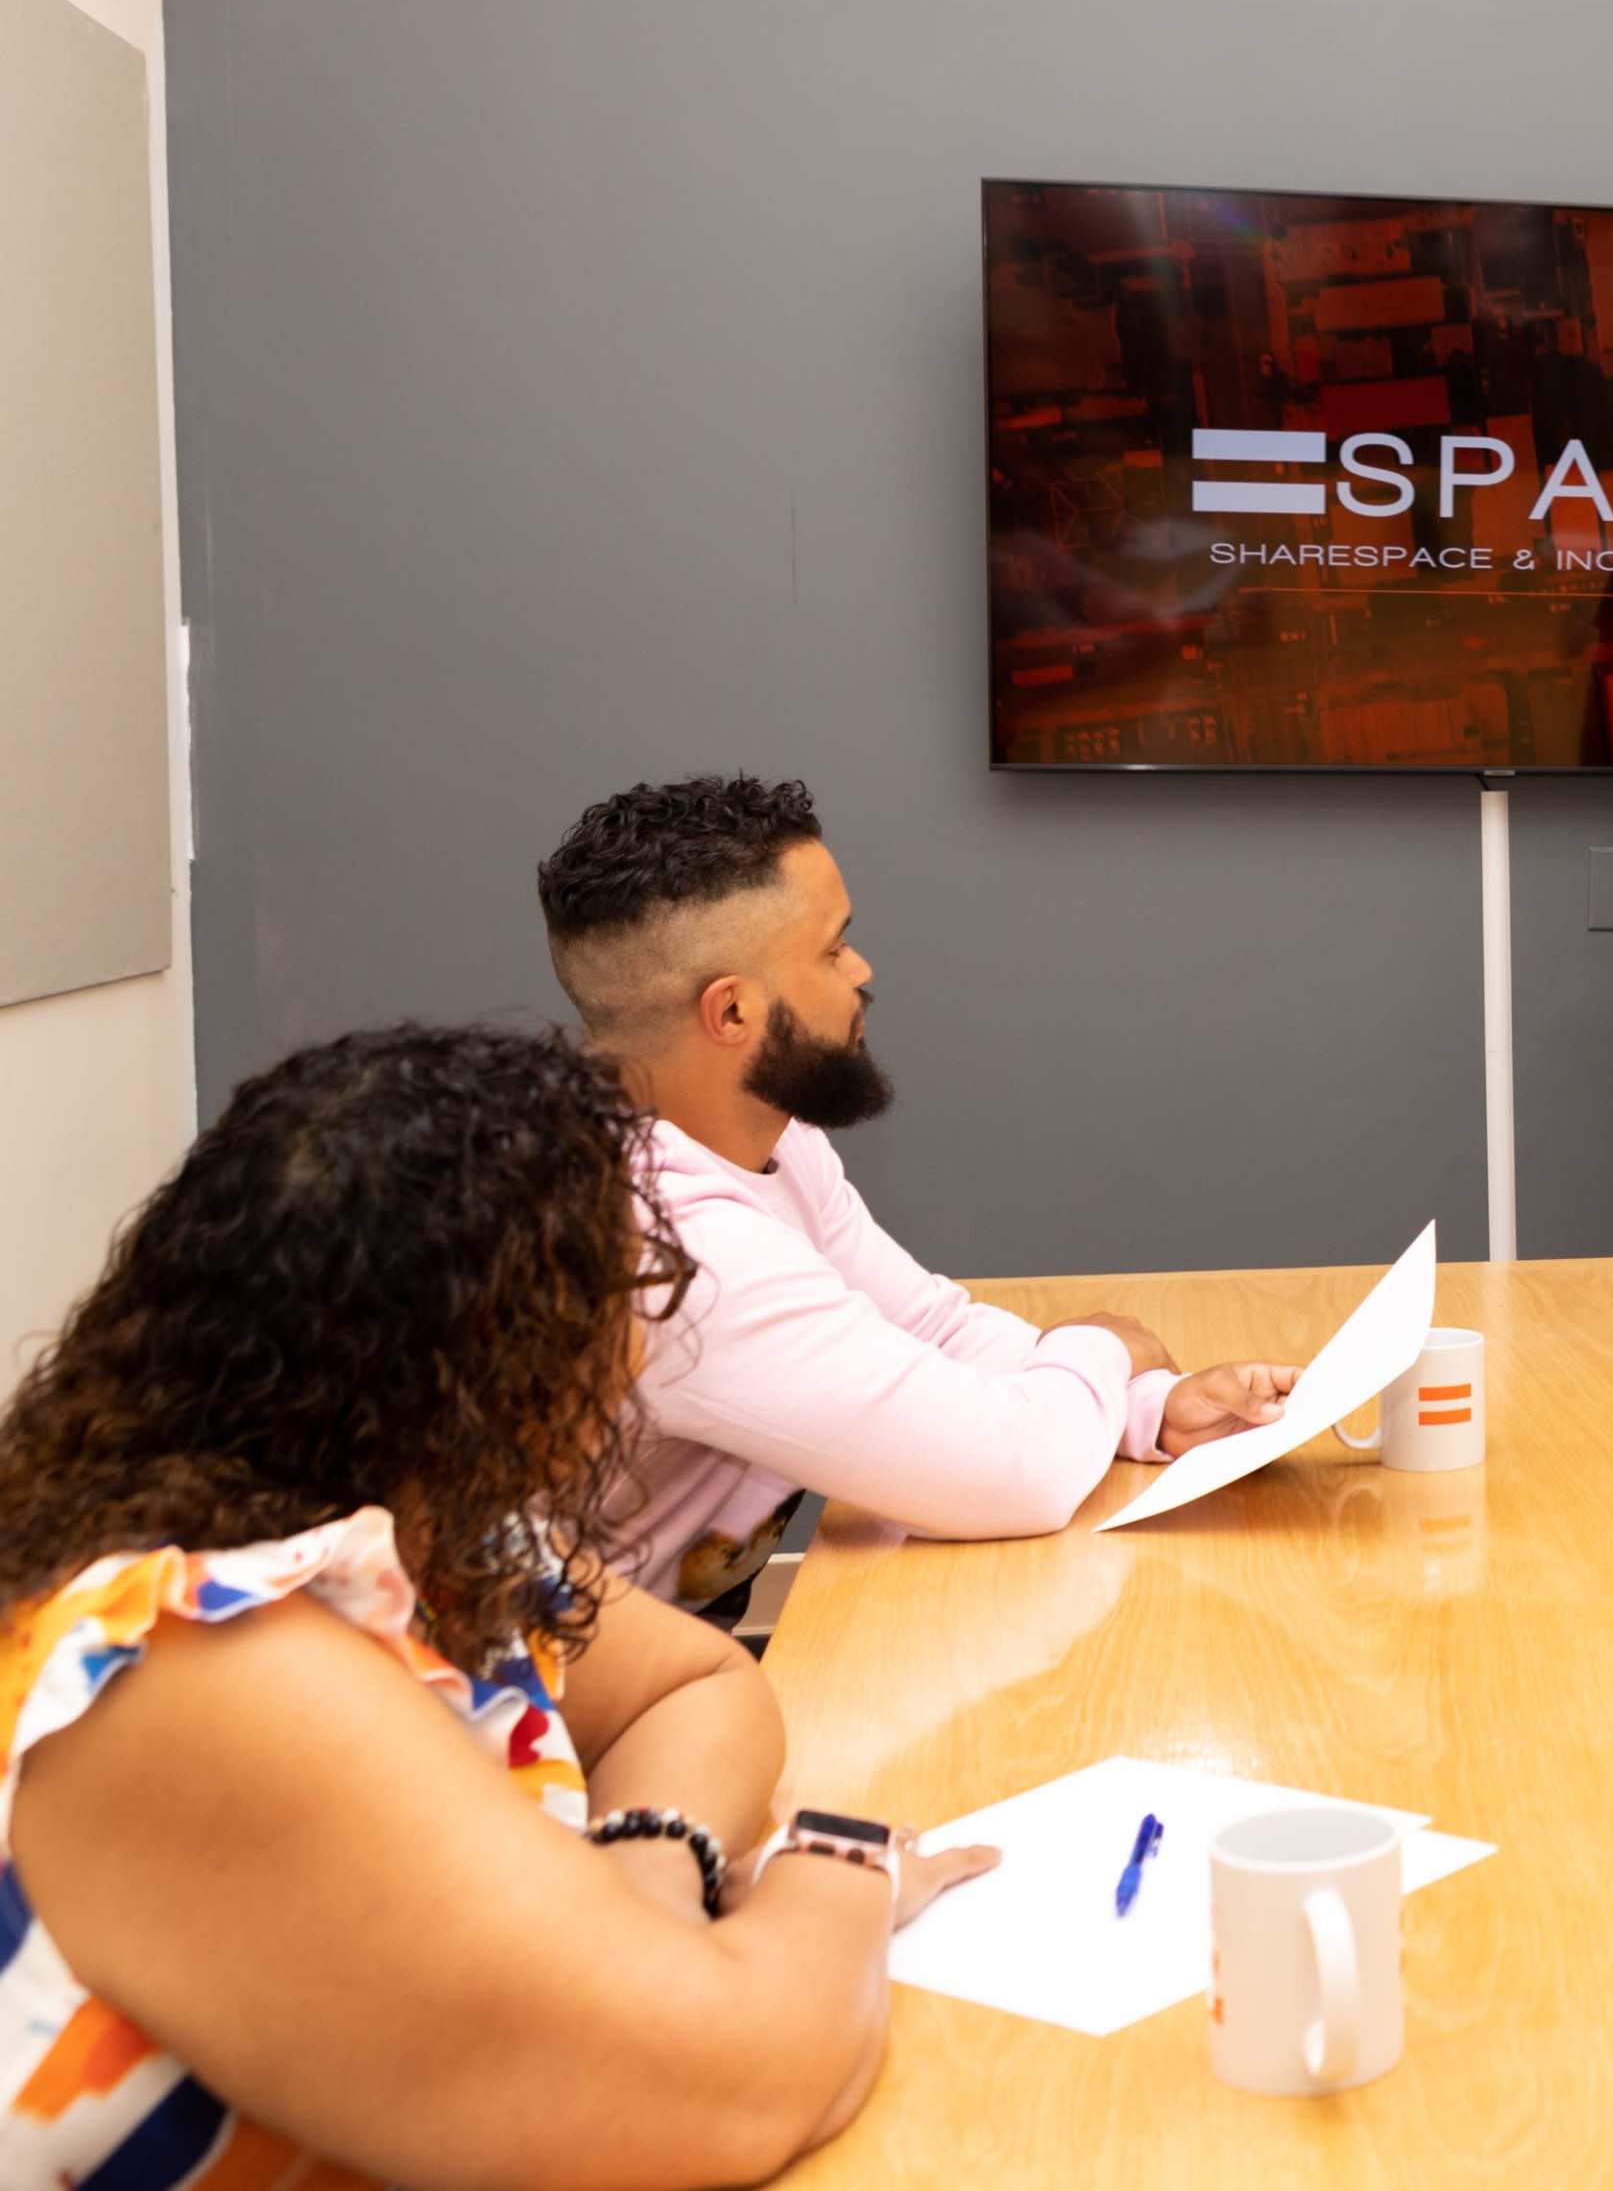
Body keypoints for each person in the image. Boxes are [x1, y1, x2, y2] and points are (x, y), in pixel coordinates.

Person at [0, 1023, 993, 2188]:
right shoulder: (200, 1659)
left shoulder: (443, 1530)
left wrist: (647, 1865)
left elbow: (693, 1685)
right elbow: (716, 2097)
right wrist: (841, 1867)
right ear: (505, 1347)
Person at [538, 775, 1295, 1607]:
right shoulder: (677, 1251)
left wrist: (1148, 1409)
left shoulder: (767, 1139)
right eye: (831, 949)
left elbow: (928, 1330)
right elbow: (1011, 1478)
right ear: (733, 1012)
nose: (861, 969)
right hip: (559, 1710)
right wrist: (1106, 1347)